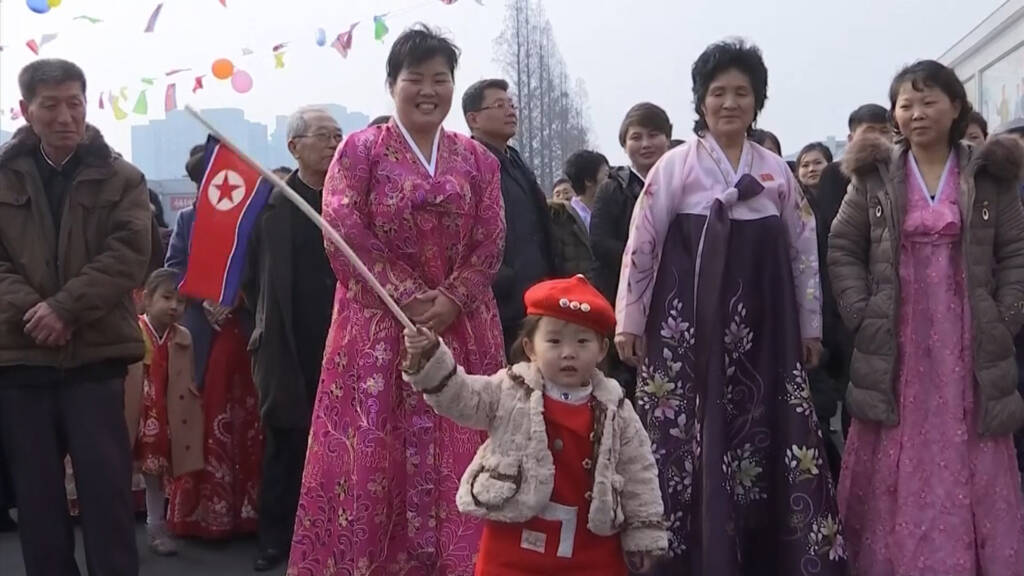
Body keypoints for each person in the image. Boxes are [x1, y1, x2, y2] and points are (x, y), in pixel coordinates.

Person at [615, 40, 845, 575]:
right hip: (684, 332)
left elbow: (803, 252)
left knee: (768, 434)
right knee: (682, 442)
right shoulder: (673, 168)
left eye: (742, 93)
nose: (729, 103)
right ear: (701, 102)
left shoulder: (776, 175)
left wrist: (810, 327)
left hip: (764, 332)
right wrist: (630, 317)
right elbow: (641, 245)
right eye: (718, 92)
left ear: (757, 102)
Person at [286, 25, 506, 576]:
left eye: (441, 78)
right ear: (392, 84)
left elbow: (492, 237)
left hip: (463, 328)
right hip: (378, 333)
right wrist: (407, 298)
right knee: (372, 454)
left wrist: (454, 297)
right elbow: (341, 229)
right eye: (416, 78)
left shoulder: (479, 160)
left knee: (467, 442)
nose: (429, 89)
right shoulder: (359, 152)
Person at [832, 59, 1024, 575]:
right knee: (895, 442)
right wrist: (860, 310)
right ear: (894, 114)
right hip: (897, 336)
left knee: (972, 442)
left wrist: (1005, 318)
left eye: (929, 101)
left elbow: (1017, 252)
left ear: (956, 106)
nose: (917, 113)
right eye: (906, 104)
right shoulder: (872, 177)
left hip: (970, 337)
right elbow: (843, 247)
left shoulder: (988, 173)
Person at [402, 275, 668, 575]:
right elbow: (463, 398)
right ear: (530, 347)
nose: (569, 352)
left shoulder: (616, 408)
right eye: (554, 341)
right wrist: (430, 357)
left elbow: (639, 472)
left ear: (602, 349)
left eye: (582, 341)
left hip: (591, 552)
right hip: (511, 548)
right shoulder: (509, 389)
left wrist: (644, 535)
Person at [0, 58, 151, 576]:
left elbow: (129, 253)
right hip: (22, 361)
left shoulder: (121, 177)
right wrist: (36, 313)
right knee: (38, 503)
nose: (65, 116)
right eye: (51, 105)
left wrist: (64, 309)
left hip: (96, 359)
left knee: (107, 498)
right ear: (27, 110)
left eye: (75, 103)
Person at [243, 107, 343, 571]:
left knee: (344, 445)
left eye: (338, 135)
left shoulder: (350, 201)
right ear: (294, 146)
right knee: (286, 444)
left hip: (344, 338)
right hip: (288, 342)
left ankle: (338, 533)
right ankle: (275, 538)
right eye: (323, 135)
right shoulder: (272, 206)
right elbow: (247, 280)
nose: (332, 143)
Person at [163, 146, 263, 542]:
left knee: (249, 420)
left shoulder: (251, 220)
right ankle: (204, 513)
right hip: (202, 330)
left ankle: (249, 511)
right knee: (202, 415)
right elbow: (173, 268)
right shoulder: (187, 220)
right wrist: (205, 296)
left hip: (242, 328)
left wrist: (235, 299)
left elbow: (257, 269)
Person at [814, 103, 891, 444]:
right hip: (847, 297)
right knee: (854, 385)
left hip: (891, 296)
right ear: (850, 137)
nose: (878, 139)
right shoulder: (836, 175)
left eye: (884, 131)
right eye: (869, 131)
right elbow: (837, 240)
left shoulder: (899, 170)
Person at [464, 78, 555, 358]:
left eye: (511, 105)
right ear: (474, 118)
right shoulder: (469, 164)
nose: (510, 111)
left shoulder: (514, 160)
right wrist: (501, 280)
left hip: (535, 293)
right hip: (502, 301)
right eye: (499, 105)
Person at [590, 103, 672, 401]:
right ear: (624, 144)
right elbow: (599, 242)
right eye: (636, 137)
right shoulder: (613, 188)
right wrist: (646, 262)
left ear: (668, 138)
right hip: (624, 296)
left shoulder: (682, 182)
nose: (646, 144)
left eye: (654, 135)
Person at [124, 267, 203, 556]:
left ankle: (156, 529)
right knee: (121, 470)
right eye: (167, 297)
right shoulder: (134, 330)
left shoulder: (181, 337)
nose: (174, 306)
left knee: (156, 476)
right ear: (146, 298)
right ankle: (119, 535)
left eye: (181, 301)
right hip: (138, 410)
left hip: (165, 413)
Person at [551, 150, 608, 277]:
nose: (609, 182)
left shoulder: (607, 216)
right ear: (588, 180)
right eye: (606, 176)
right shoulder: (562, 219)